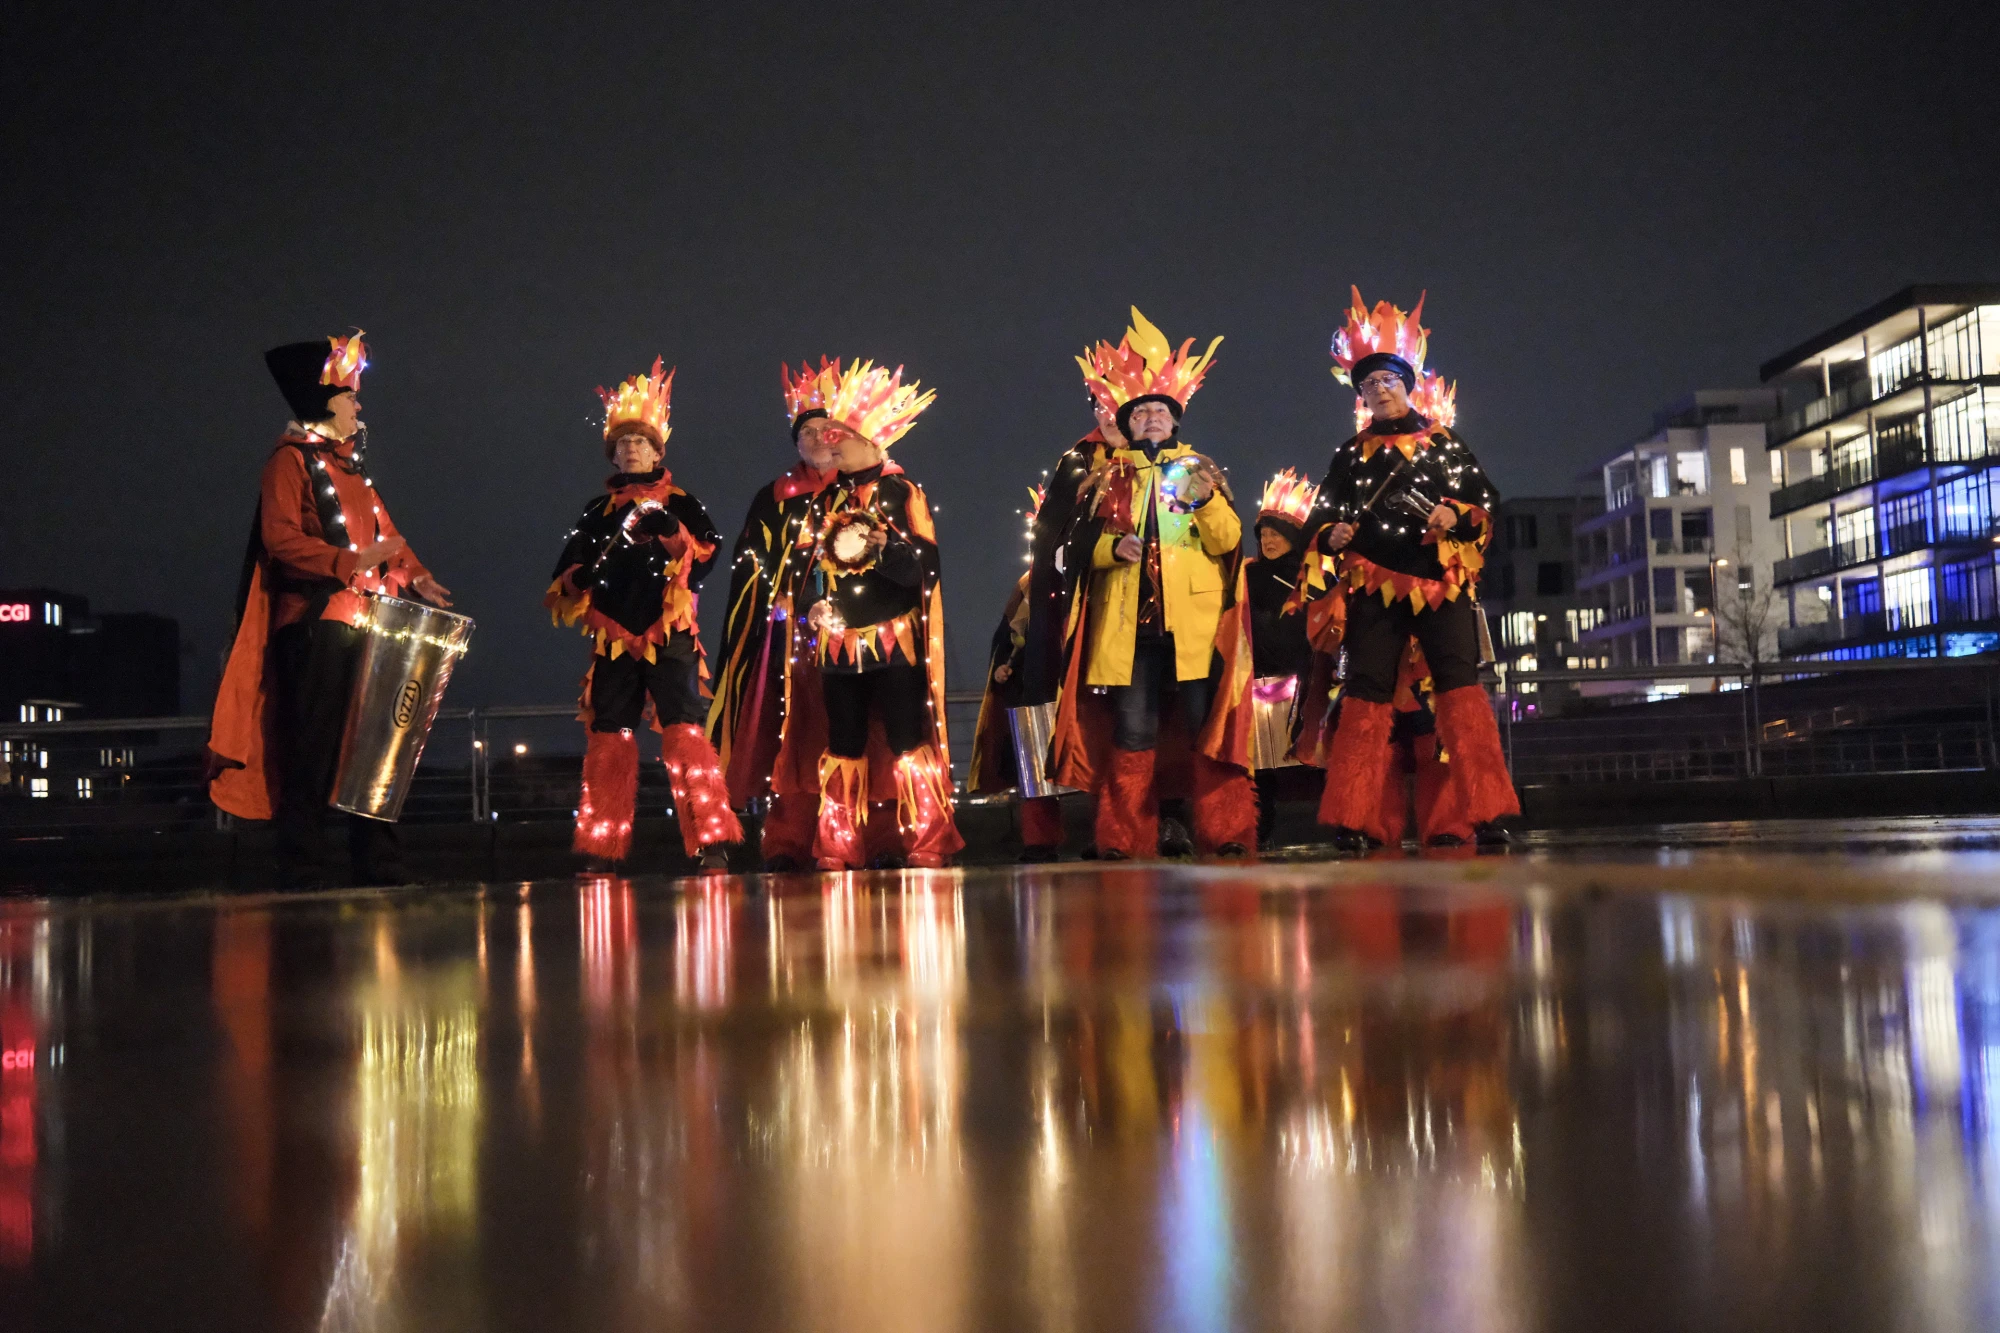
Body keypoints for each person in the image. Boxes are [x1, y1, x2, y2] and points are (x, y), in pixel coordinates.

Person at [207, 332, 452, 888]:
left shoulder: (353, 472)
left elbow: (390, 535)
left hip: (370, 625)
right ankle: (304, 867)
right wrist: (350, 560)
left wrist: (418, 575)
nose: (359, 404)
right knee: (314, 747)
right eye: (350, 395)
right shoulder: (288, 462)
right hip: (316, 626)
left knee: (375, 747)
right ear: (324, 402)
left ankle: (381, 865)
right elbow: (279, 539)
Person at [1295, 288, 1518, 849]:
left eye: (1388, 380)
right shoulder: (1350, 454)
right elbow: (1319, 517)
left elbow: (1487, 504)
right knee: (1366, 692)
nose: (1380, 390)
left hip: (1441, 587)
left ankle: (1486, 814)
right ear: (1361, 396)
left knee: (1460, 688)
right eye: (1369, 384)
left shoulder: (1443, 444)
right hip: (1374, 585)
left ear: (1406, 384)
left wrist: (1456, 512)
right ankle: (1353, 819)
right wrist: (1331, 533)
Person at [1048, 309, 1258, 860]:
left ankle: (1228, 831)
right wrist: (1108, 548)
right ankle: (1123, 838)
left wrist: (1208, 499)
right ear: (1128, 421)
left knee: (1204, 728)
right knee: (1133, 731)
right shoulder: (1105, 477)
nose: (1151, 418)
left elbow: (1229, 542)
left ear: (1175, 419)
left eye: (1160, 410)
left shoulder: (1199, 468)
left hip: (1192, 624)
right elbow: (1071, 551)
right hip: (1129, 629)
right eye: (1141, 412)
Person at [545, 357, 741, 871]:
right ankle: (601, 847)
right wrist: (577, 578)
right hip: (612, 636)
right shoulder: (596, 510)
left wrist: (672, 531)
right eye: (623, 444)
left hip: (668, 631)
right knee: (609, 732)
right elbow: (566, 570)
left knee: (684, 728)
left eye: (641, 442)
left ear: (658, 449)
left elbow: (708, 552)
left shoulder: (682, 500)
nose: (631, 449)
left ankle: (711, 841)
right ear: (613, 453)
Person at [770, 359, 962, 870]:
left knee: (905, 740)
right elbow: (800, 567)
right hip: (837, 645)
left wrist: (884, 550)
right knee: (843, 742)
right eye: (829, 435)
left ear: (871, 440)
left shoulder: (902, 492)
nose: (830, 442)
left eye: (841, 435)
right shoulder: (823, 500)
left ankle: (928, 841)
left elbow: (926, 568)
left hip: (895, 637)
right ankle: (837, 846)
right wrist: (811, 608)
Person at [707, 364, 840, 870]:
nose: (812, 438)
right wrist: (787, 596)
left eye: (820, 429)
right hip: (792, 639)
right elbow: (752, 560)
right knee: (795, 735)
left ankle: (851, 838)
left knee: (850, 732)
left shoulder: (866, 487)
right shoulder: (775, 496)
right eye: (802, 432)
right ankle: (787, 840)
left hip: (857, 634)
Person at [1244, 470, 1318, 845]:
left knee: (1310, 756)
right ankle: (1258, 830)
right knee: (1259, 767)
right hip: (1257, 682)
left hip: (1301, 680)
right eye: (1265, 535)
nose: (1270, 541)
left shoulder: (1313, 577)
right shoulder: (1247, 575)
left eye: (1277, 534)